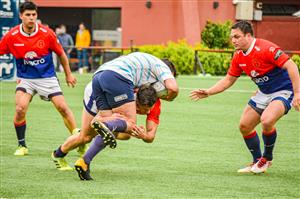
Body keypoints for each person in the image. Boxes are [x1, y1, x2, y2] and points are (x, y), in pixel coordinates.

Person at [190, 20, 300, 174]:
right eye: (232, 37)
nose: (233, 40)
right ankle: (256, 161)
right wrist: (209, 92)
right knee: (245, 126)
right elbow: (229, 79)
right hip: (263, 92)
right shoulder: (238, 56)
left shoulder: (266, 48)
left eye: (237, 36)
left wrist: (297, 93)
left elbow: (291, 66)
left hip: (283, 91)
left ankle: (266, 159)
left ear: (248, 36)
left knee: (267, 120)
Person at [51, 53, 178, 174]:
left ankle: (58, 154)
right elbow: (173, 88)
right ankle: (87, 153)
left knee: (90, 136)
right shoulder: (132, 80)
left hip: (100, 78)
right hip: (95, 92)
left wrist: (144, 135)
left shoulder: (150, 94)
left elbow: (150, 135)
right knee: (116, 127)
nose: (164, 89)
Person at [0, 1, 80, 156]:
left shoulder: (47, 33)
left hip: (47, 77)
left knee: (63, 108)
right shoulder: (12, 36)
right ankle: (22, 145)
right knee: (20, 108)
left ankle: (78, 140)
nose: (31, 18)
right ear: (20, 16)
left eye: (34, 15)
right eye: (28, 15)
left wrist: (68, 74)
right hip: (26, 79)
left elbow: (61, 53)